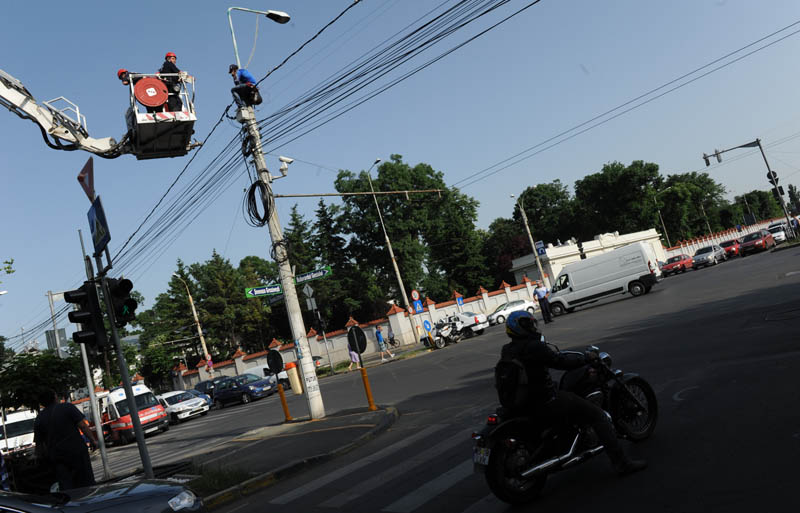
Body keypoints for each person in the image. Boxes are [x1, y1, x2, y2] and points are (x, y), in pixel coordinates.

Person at [500, 311, 647, 476]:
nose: (533, 327)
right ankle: (622, 464)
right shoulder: (533, 346)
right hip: (545, 399)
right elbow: (559, 361)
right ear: (521, 327)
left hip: (526, 402)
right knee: (598, 416)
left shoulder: (508, 349)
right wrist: (586, 358)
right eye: (529, 324)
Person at [33, 388, 98, 490]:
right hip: (77, 452)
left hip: (57, 456)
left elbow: (39, 444)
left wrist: (41, 458)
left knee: (67, 485)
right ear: (55, 397)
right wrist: (93, 440)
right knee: (86, 482)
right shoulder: (67, 407)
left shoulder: (39, 418)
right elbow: (83, 426)